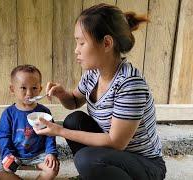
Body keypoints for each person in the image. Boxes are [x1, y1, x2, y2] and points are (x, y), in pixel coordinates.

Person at [33, 3, 166, 180]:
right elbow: (73, 102)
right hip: (116, 156)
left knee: (86, 159)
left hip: (145, 165)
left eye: (81, 43)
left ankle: (96, 169)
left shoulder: (130, 84)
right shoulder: (93, 74)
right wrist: (62, 94)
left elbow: (116, 142)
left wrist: (59, 131)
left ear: (106, 43)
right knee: (74, 121)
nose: (76, 50)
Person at [0, 64, 59, 180]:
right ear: (12, 89)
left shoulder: (44, 112)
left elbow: (50, 135)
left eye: (34, 88)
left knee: (53, 168)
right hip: (14, 153)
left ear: (40, 89)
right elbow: (3, 137)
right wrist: (7, 154)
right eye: (23, 88)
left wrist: (50, 152)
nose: (29, 93)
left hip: (38, 154)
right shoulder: (9, 113)